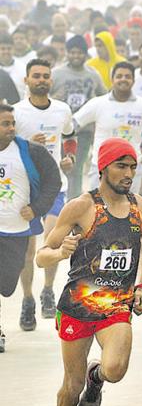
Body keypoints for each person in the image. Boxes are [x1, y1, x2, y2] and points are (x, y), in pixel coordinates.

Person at [35, 138, 142, 406]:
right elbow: (42, 256)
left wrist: (141, 286)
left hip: (117, 305)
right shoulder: (81, 207)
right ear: (103, 168)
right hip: (77, 307)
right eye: (121, 166)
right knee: (70, 387)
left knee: (115, 369)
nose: (129, 173)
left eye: (132, 167)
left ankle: (96, 377)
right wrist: (61, 252)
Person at [14, 58, 76, 325]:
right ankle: (27, 300)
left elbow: (70, 137)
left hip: (55, 187)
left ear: (51, 80)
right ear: (26, 80)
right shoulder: (15, 113)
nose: (41, 80)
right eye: (36, 76)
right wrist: (26, 145)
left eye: (45, 76)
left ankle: (48, 291)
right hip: (24, 191)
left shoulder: (62, 110)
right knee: (28, 251)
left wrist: (69, 158)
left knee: (52, 241)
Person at [0, 103, 61, 352]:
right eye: (5, 124)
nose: (11, 128)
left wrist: (36, 208)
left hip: (17, 231)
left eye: (12, 123)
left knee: (7, 285)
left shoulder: (30, 152)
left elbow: (54, 181)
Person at [73, 61, 142, 193]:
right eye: (119, 76)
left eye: (127, 77)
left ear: (133, 80)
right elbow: (74, 124)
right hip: (101, 168)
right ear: (112, 80)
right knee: (98, 210)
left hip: (131, 169)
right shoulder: (98, 103)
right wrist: (70, 146)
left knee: (130, 211)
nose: (123, 79)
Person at [51, 35, 107, 200]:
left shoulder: (92, 75)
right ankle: (57, 203)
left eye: (80, 53)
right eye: (72, 52)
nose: (76, 56)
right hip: (59, 130)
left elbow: (105, 98)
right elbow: (44, 97)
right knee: (57, 167)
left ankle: (73, 204)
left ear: (85, 54)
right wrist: (55, 95)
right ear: (67, 53)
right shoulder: (57, 73)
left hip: (83, 132)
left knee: (75, 168)